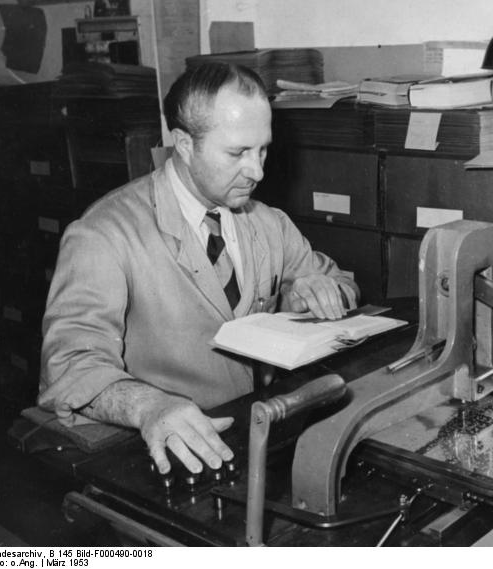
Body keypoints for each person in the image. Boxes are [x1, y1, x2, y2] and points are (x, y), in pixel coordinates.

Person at [38, 62, 359, 477]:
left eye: (263, 149)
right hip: (161, 450)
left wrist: (315, 291)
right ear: (184, 144)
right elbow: (69, 365)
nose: (257, 171)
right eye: (237, 153)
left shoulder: (267, 222)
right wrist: (148, 405)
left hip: (250, 437)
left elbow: (345, 284)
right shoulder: (105, 233)